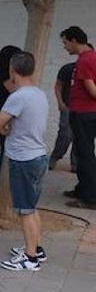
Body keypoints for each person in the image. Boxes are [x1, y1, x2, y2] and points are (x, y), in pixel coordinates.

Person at [0, 52, 49, 271]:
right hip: (38, 156)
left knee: (25, 210)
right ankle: (36, 248)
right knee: (32, 207)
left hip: (23, 159)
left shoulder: (18, 96)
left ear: (13, 71)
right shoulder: (39, 94)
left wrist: (6, 129)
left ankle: (30, 258)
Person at [61, 27, 96, 210]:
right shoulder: (90, 57)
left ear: (74, 40)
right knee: (83, 153)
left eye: (66, 42)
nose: (65, 47)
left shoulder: (85, 61)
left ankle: (90, 197)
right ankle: (82, 188)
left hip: (84, 113)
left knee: (85, 154)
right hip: (85, 112)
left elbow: (92, 90)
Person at [0, 45, 23, 194]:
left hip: (3, 112)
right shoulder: (4, 76)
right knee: (6, 151)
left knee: (6, 150)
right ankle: (0, 186)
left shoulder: (2, 74)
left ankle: (1, 186)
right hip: (3, 115)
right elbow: (17, 92)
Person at [49, 61, 77, 171]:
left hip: (85, 109)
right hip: (68, 106)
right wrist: (60, 103)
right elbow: (58, 86)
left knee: (80, 136)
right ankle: (55, 156)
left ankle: (75, 163)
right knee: (65, 134)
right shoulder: (68, 68)